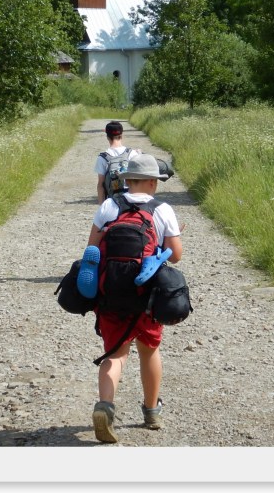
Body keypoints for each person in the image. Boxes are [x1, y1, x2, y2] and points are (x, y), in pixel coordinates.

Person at [86, 154, 184, 444]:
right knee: (149, 351)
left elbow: (92, 248)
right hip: (148, 295)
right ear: (153, 182)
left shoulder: (109, 205)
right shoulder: (162, 209)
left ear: (127, 180)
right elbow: (176, 256)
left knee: (115, 354)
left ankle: (105, 406)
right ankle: (152, 412)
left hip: (112, 293)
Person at [95, 121, 140, 204]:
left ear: (107, 137)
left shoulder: (103, 158)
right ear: (121, 135)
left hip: (113, 202)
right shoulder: (132, 153)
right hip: (132, 202)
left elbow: (100, 185)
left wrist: (102, 207)